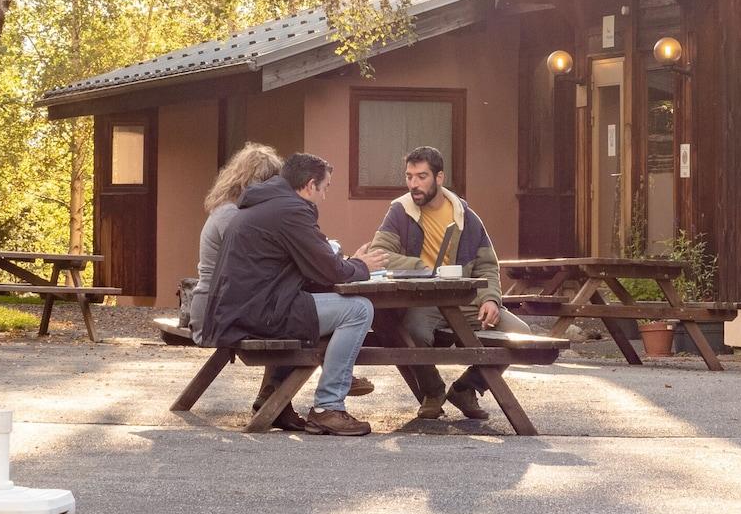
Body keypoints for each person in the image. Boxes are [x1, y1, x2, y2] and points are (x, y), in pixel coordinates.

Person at [205, 152, 377, 436]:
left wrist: (344, 264)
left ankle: (274, 397)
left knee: (315, 313)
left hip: (240, 311)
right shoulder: (291, 210)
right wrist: (362, 265)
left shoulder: (265, 204)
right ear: (310, 185)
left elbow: (315, 264)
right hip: (258, 314)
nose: (324, 196)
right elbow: (330, 269)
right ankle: (328, 408)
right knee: (358, 309)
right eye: (325, 188)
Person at [364, 145, 530, 421]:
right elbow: (379, 255)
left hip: (465, 300)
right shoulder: (400, 211)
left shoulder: (466, 216)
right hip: (423, 300)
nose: (414, 184)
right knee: (413, 331)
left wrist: (491, 299)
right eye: (409, 177)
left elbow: (487, 265)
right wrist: (423, 269)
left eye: (422, 177)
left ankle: (467, 388)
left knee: (520, 333)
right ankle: (432, 391)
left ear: (439, 177)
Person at [186, 143, 281, 343]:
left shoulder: (231, 210)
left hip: (221, 308)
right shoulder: (230, 214)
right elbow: (257, 259)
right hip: (215, 314)